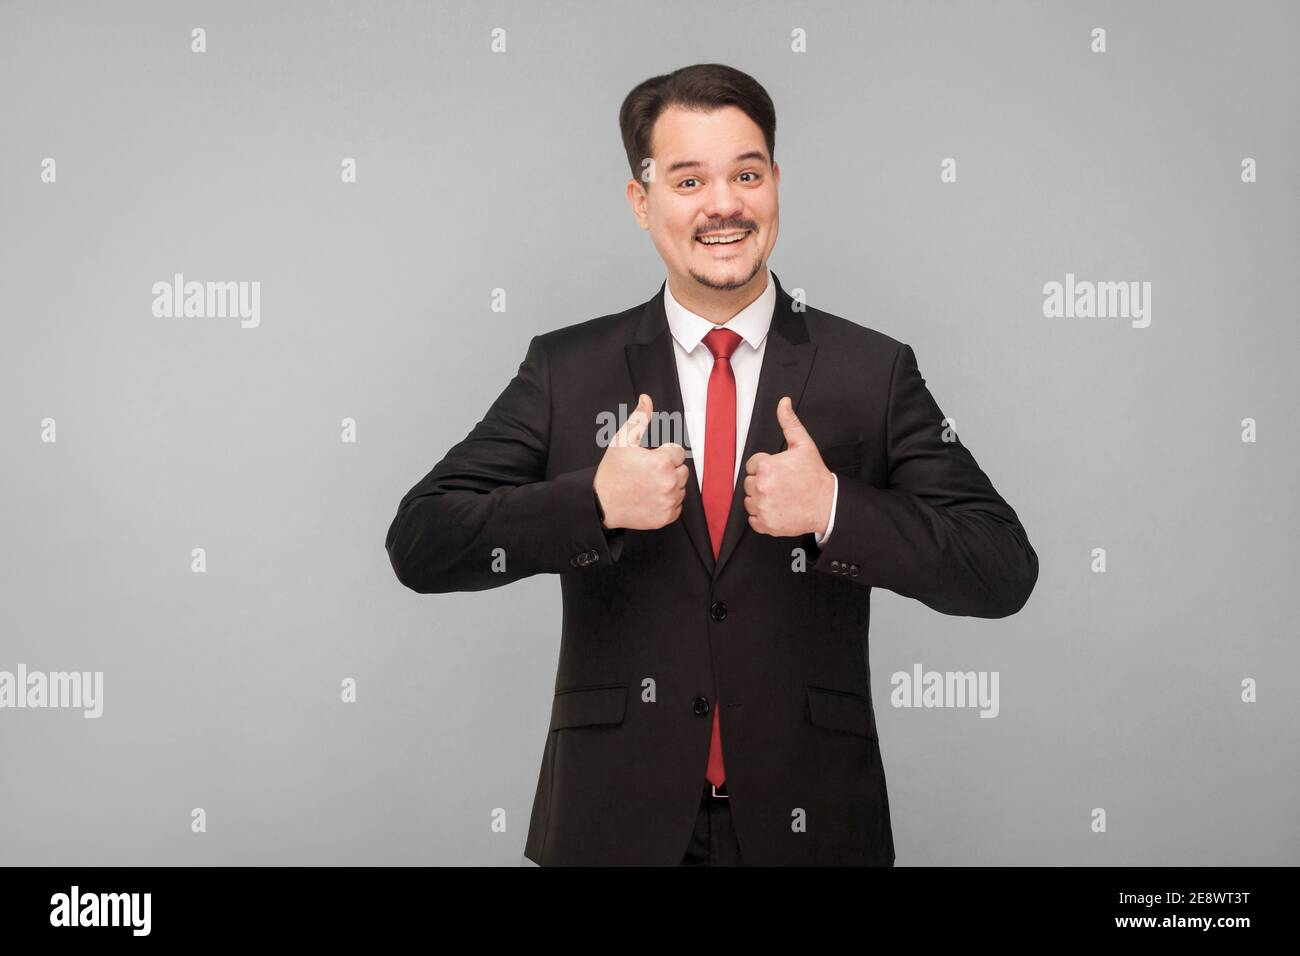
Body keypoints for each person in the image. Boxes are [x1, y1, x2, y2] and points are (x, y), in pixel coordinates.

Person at [385, 63, 1038, 866]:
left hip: (814, 827)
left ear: (774, 185)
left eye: (746, 174)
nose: (723, 204)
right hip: (611, 828)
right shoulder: (568, 370)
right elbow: (420, 541)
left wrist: (836, 508)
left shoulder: (872, 371)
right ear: (642, 202)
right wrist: (592, 502)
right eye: (689, 179)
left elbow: (1002, 567)